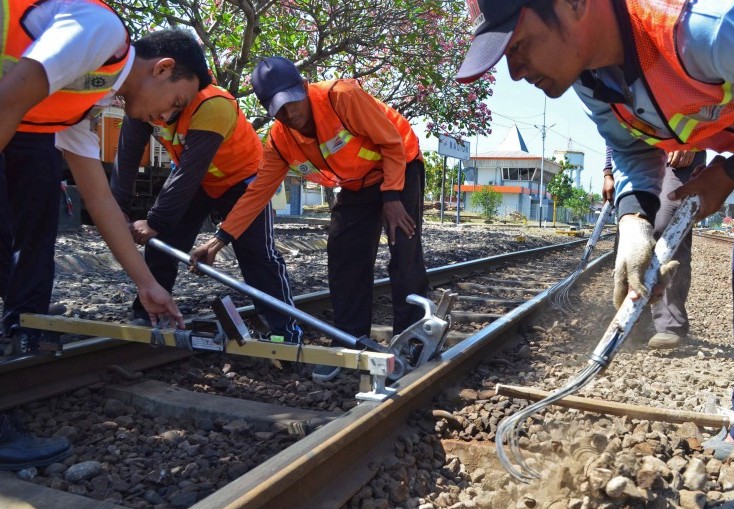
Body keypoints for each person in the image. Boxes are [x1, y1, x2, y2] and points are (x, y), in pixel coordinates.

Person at [455, 0, 734, 509]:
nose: (515, 71)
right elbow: (633, 150)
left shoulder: (710, 27)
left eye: (518, 46)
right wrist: (633, 217)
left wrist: (730, 170)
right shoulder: (590, 77)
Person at [0, 0, 211, 471]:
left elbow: (99, 201)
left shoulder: (81, 101)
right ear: (164, 68)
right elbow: (8, 98)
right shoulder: (102, 32)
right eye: (174, 103)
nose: (165, 119)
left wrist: (147, 284)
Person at [191, 56, 429, 383]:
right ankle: (348, 342)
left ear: (304, 87)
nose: (290, 114)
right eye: (279, 109)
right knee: (344, 256)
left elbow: (391, 143)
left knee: (404, 250)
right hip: (356, 185)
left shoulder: (341, 96)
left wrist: (392, 197)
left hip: (399, 165)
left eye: (292, 102)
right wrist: (219, 240)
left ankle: (413, 340)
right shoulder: (279, 140)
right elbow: (257, 192)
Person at [110, 82, 303, 343]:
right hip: (196, 179)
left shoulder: (210, 103)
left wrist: (155, 220)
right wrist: (117, 210)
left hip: (243, 179)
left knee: (258, 255)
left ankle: (284, 331)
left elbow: (191, 170)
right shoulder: (142, 100)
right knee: (161, 243)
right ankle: (149, 311)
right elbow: (128, 157)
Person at [603, 147, 707, 350]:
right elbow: (615, 131)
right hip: (638, 148)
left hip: (681, 150)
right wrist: (608, 171)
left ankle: (669, 324)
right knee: (633, 232)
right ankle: (633, 321)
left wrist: (692, 141)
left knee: (667, 224)